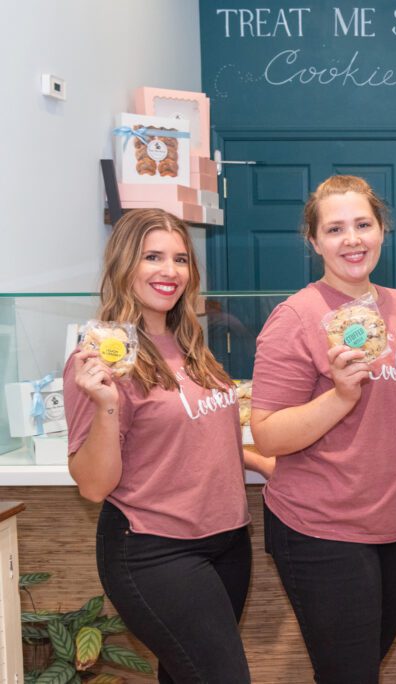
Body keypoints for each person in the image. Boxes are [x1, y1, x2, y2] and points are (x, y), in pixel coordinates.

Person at [249, 175, 396, 683]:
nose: (352, 239)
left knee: (357, 669)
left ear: (382, 231)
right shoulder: (296, 317)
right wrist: (340, 397)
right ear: (314, 241)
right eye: (335, 229)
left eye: (362, 224)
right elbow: (266, 434)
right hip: (323, 530)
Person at [64, 208, 254, 683]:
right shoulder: (99, 357)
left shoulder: (190, 341)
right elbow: (92, 484)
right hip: (155, 550)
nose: (170, 271)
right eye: (153, 257)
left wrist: (264, 461)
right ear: (124, 264)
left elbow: (195, 434)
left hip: (228, 541)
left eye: (180, 259)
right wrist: (107, 404)